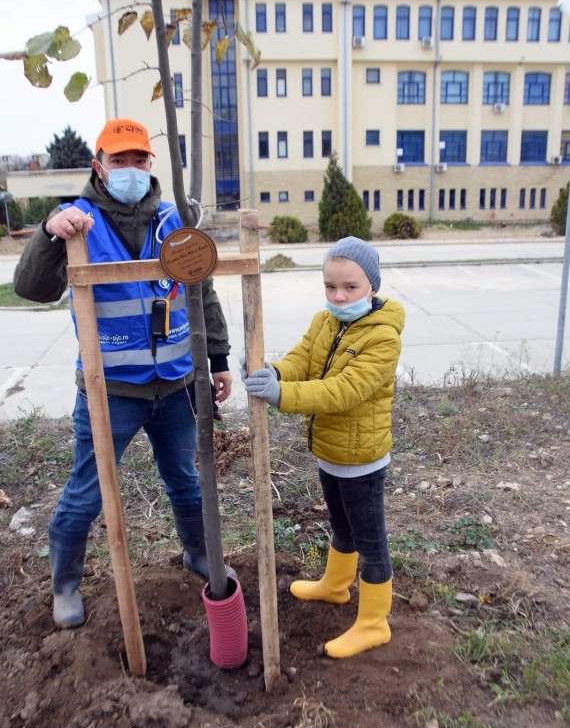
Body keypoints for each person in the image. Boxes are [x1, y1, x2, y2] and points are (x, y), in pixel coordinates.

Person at [14, 118, 233, 629]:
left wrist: (217, 361)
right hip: (110, 391)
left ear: (151, 164)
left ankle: (198, 553)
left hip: (176, 386)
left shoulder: (173, 220)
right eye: (119, 161)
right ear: (99, 167)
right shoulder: (77, 222)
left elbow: (202, 293)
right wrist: (50, 234)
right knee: (88, 491)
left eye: (139, 159)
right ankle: (65, 584)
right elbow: (32, 289)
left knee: (186, 482)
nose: (131, 169)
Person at [243, 237, 405, 659]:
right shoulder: (325, 322)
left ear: (371, 284)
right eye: (330, 287)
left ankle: (373, 623)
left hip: (362, 460)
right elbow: (302, 360)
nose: (338, 296)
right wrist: (273, 371)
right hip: (331, 452)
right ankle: (335, 587)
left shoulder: (383, 337)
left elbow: (343, 391)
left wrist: (283, 396)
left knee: (371, 542)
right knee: (341, 526)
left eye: (350, 287)